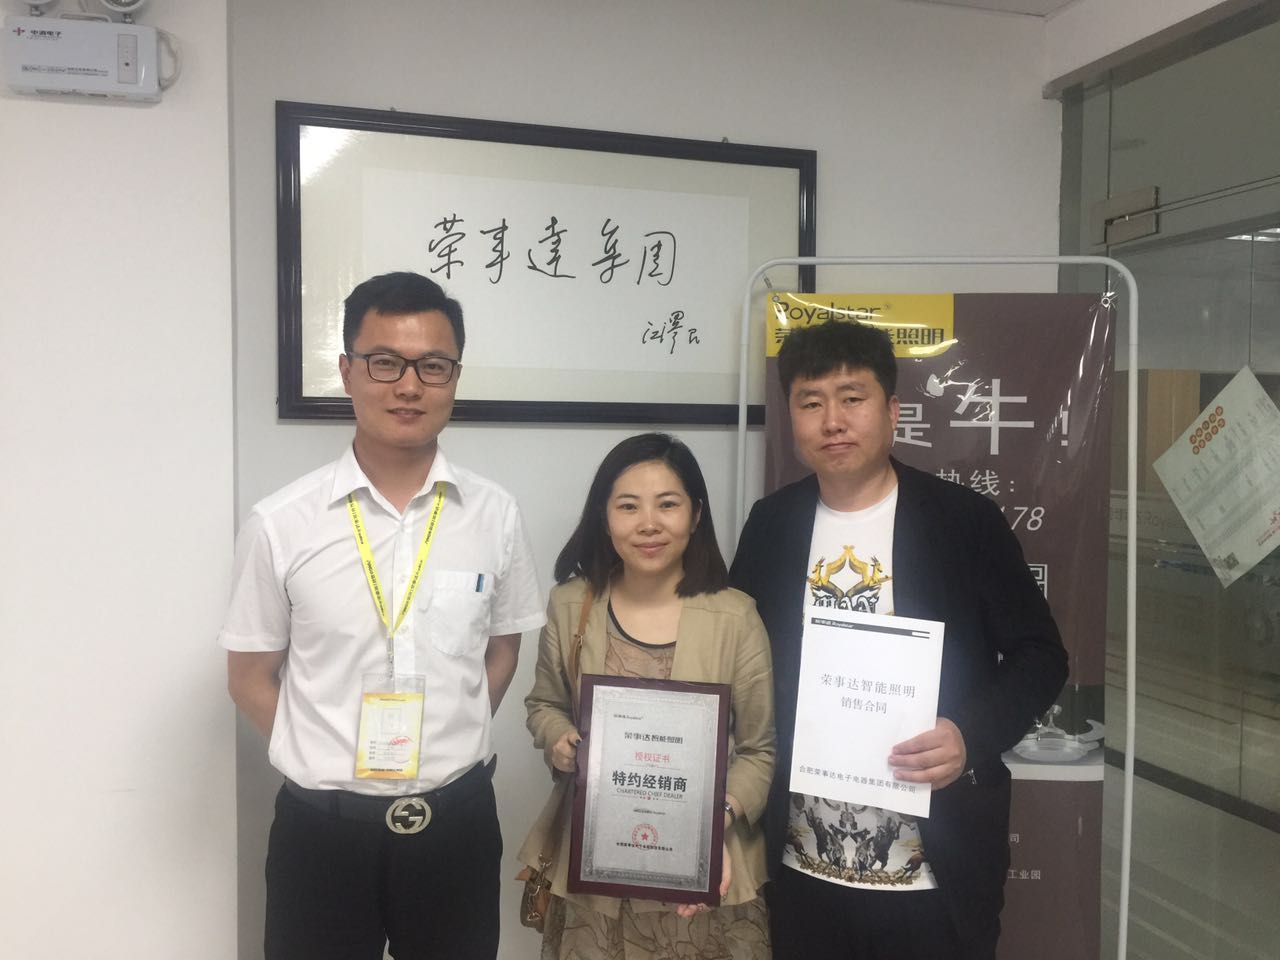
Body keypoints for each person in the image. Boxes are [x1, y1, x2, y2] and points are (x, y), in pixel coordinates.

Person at [220, 271, 545, 960]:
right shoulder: (281, 524)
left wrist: (447, 734)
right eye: (385, 363)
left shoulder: (495, 515)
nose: (409, 386)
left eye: (433, 365)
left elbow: (503, 650)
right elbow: (249, 675)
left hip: (456, 829)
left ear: (454, 377)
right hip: (322, 836)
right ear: (347, 371)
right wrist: (322, 748)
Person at [729, 321, 1068, 960]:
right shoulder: (771, 524)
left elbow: (1041, 655)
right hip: (803, 864)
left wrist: (969, 734)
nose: (833, 420)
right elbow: (738, 661)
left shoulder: (962, 521)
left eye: (852, 398)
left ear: (892, 411)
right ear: (793, 417)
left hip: (935, 868)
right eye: (811, 402)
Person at [522, 433, 775, 960]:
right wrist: (558, 739)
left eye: (668, 504)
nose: (648, 524)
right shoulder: (571, 605)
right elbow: (544, 704)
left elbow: (759, 750)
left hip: (709, 872)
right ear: (604, 516)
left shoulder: (735, 616)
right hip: (595, 872)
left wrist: (713, 827)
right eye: (628, 506)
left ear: (696, 514)